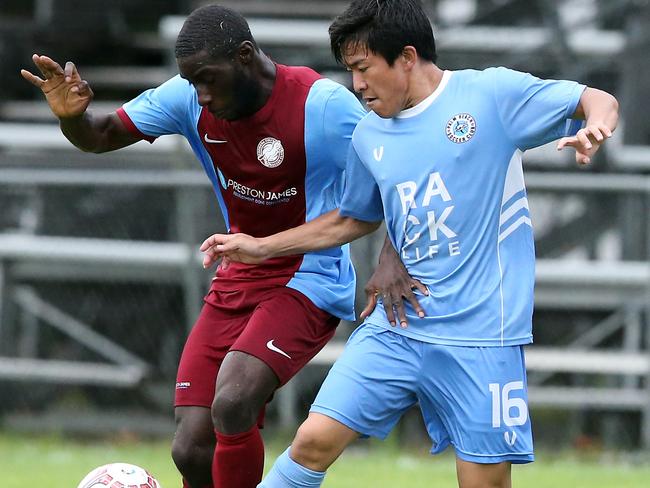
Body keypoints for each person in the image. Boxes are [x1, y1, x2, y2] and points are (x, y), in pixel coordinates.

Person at [199, 0, 620, 486]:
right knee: (311, 442)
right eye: (350, 71)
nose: (356, 85)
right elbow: (350, 220)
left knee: (483, 483)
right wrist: (262, 246)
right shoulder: (369, 135)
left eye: (363, 68)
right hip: (398, 327)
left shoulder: (491, 95)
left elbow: (597, 98)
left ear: (405, 57)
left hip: (481, 337)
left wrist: (597, 126)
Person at [20, 4, 420, 488]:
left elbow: (399, 172)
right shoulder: (190, 98)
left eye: (210, 79)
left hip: (309, 276)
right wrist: (73, 121)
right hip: (238, 276)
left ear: (246, 56)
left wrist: (390, 257)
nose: (203, 95)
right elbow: (100, 136)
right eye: (193, 83)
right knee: (190, 447)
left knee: (232, 401)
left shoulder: (321, 105)